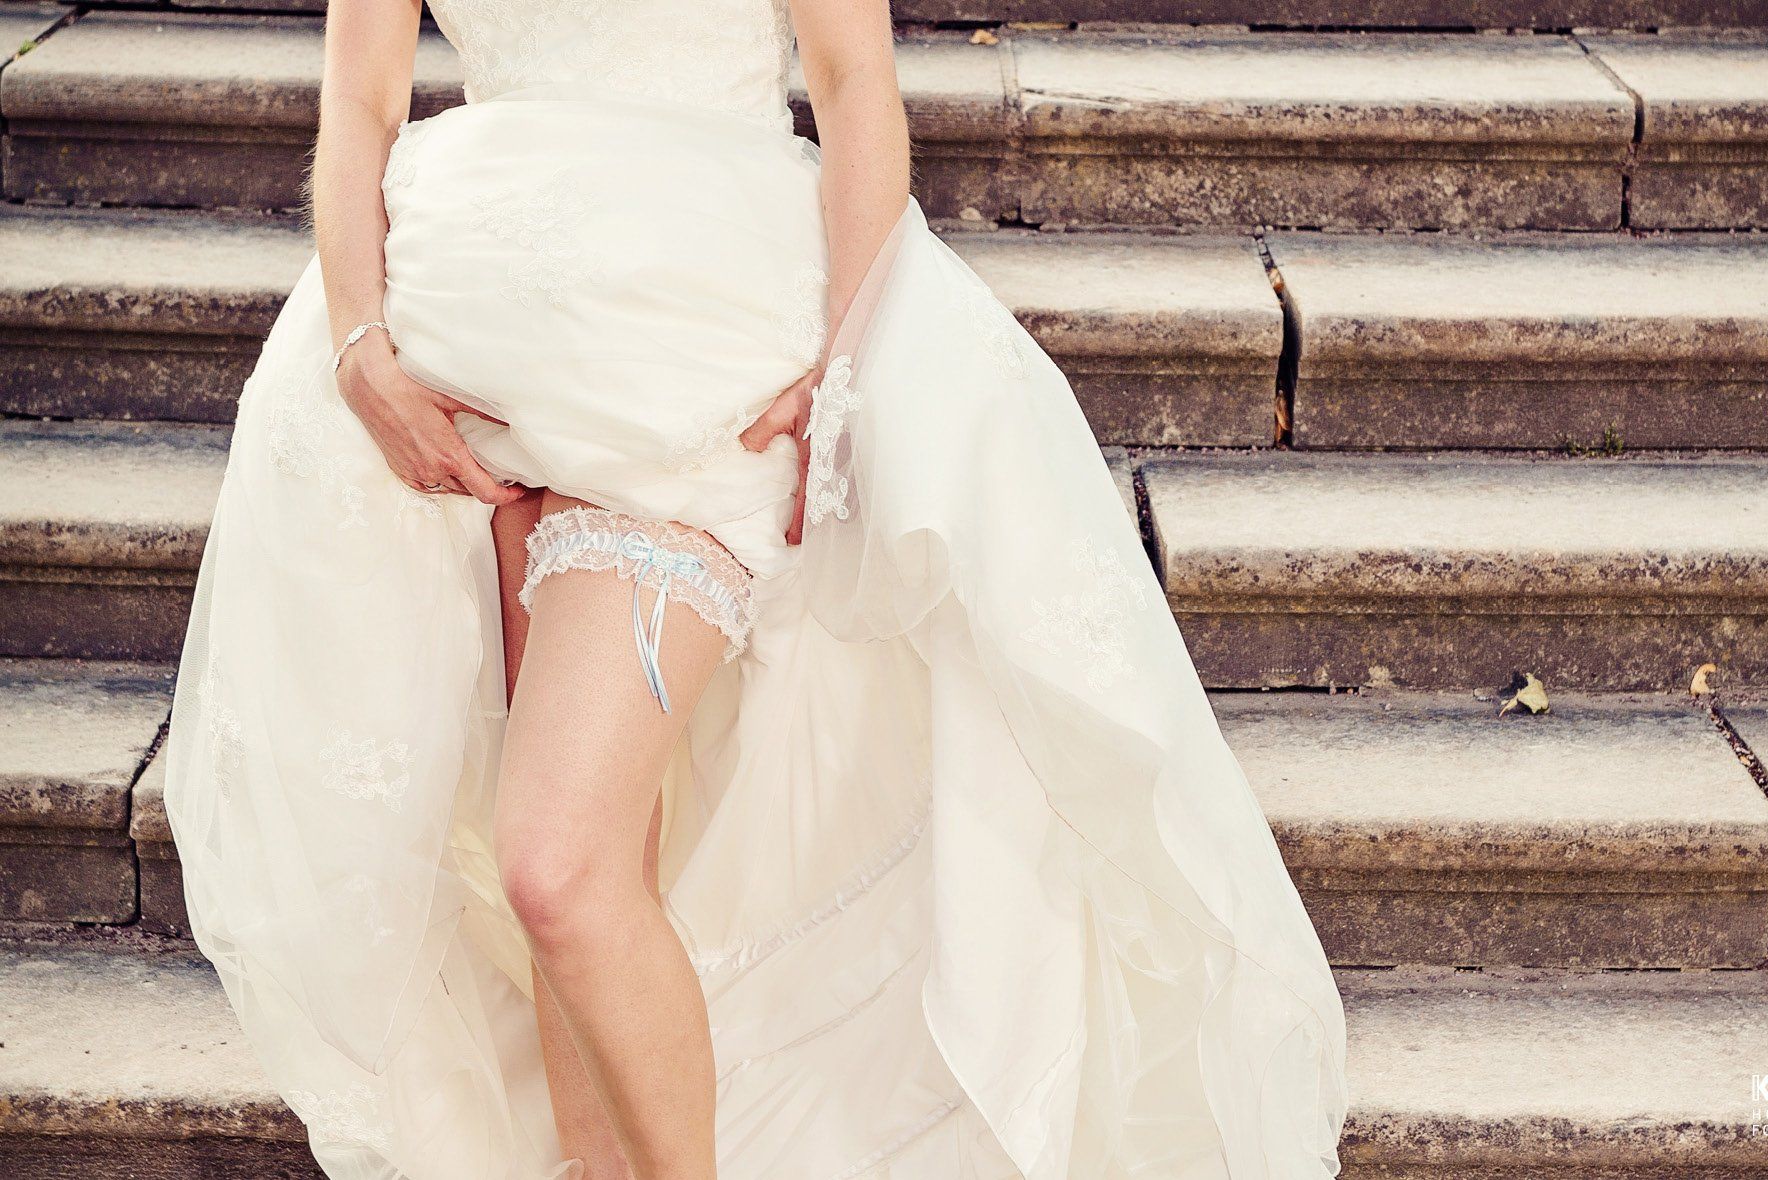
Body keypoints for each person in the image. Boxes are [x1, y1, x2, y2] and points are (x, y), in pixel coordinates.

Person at [162, 0, 1348, 1175]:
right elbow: (359, 102)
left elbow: (849, 85)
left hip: (696, 385)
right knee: (590, 876)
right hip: (471, 383)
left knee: (555, 864)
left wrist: (845, 368)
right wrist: (358, 346)